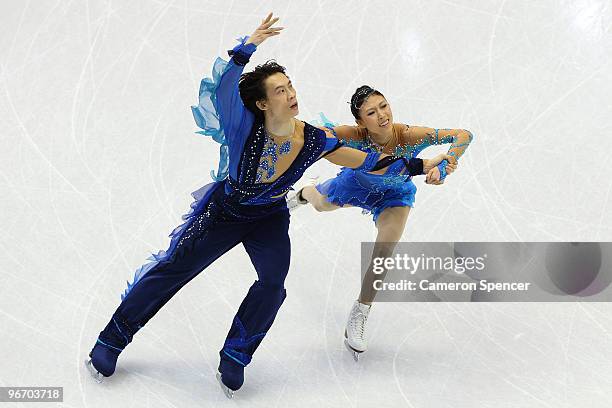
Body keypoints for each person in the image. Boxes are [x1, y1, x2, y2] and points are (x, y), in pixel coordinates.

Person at [84, 14, 451, 398]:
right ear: (261, 102)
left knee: (273, 284)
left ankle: (235, 355)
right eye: (279, 90)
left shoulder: (313, 139)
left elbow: (369, 161)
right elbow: (224, 86)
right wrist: (248, 46)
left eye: (290, 85)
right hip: (226, 213)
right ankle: (111, 341)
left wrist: (421, 165)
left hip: (269, 218)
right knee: (175, 268)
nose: (290, 93)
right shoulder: (242, 125)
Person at [289, 85, 472, 359]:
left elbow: (463, 135)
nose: (382, 115)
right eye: (372, 113)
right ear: (361, 122)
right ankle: (304, 193)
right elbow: (316, 136)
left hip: (395, 195)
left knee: (384, 250)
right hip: (356, 186)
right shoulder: (353, 135)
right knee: (321, 205)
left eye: (384, 106)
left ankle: (361, 310)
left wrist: (443, 166)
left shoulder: (409, 135)